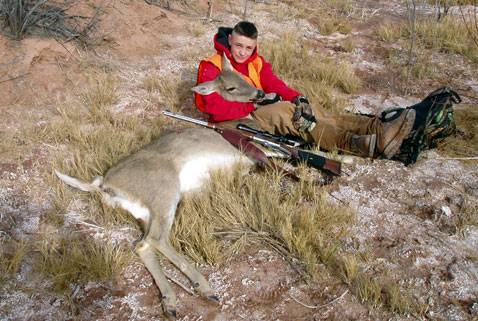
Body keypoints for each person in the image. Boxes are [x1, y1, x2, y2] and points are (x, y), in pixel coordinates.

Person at [194, 21, 416, 159]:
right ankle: (355, 144)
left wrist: (299, 98)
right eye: (238, 46)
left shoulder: (256, 61)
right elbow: (216, 109)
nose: (242, 53)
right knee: (289, 115)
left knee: (312, 111)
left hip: (258, 105)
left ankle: (377, 128)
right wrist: (254, 104)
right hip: (237, 119)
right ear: (230, 39)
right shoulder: (213, 66)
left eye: (248, 48)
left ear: (255, 46)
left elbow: (274, 83)